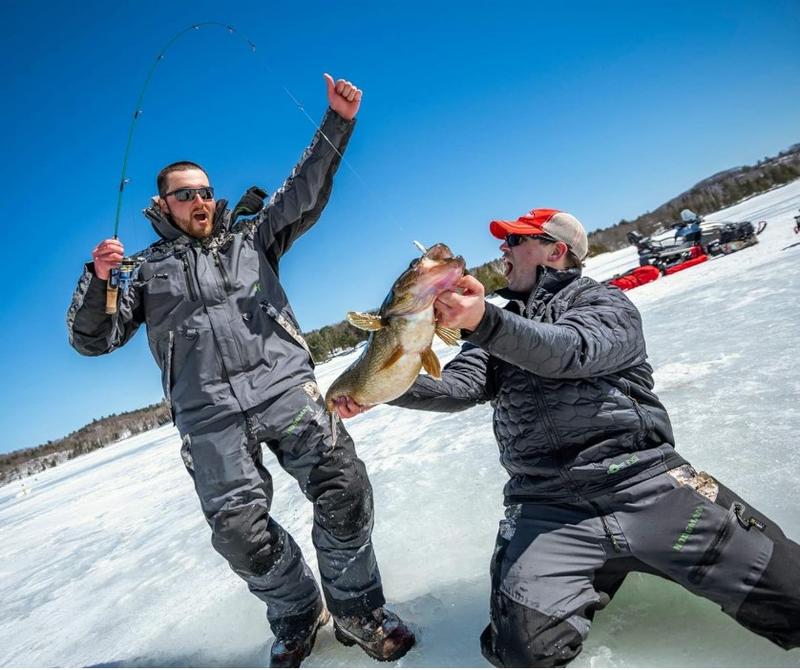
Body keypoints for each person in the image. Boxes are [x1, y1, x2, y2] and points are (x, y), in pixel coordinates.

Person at [334, 207, 800, 666]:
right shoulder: (495, 329)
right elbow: (458, 387)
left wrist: (485, 322)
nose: (503, 247)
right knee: (518, 651)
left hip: (643, 484)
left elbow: (569, 352)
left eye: (516, 240)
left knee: (793, 594)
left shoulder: (602, 303)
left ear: (556, 251)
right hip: (546, 506)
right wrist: (380, 385)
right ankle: (592, 567)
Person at [67, 74, 414, 668]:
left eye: (204, 190)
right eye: (185, 194)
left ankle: (358, 608)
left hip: (284, 390)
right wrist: (98, 279)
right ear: (162, 206)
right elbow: (92, 340)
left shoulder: (251, 239)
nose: (200, 200)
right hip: (209, 418)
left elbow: (304, 190)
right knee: (238, 533)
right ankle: (300, 611)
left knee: (344, 488)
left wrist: (338, 120)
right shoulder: (143, 272)